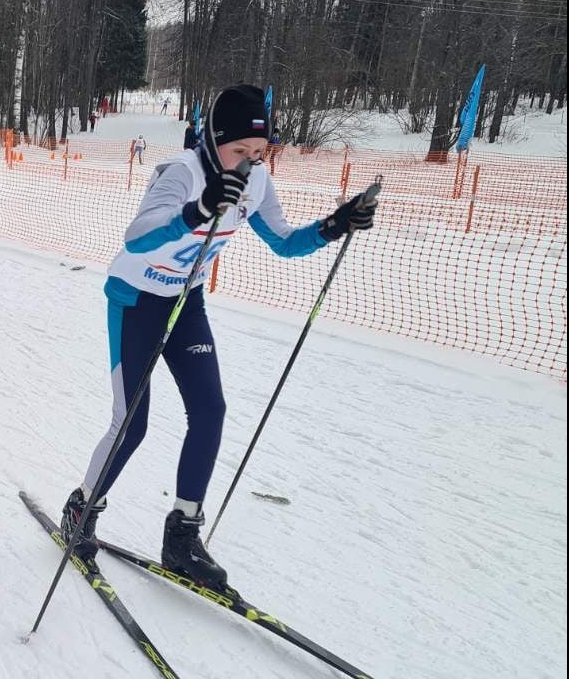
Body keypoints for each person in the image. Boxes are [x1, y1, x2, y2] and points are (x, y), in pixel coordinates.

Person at [59, 84, 378, 591]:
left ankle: (182, 534)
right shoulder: (181, 174)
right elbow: (138, 236)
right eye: (240, 152)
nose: (250, 162)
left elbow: (285, 243)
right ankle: (82, 510)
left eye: (259, 152)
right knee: (131, 424)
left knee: (210, 409)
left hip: (186, 301)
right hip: (137, 300)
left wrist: (336, 225)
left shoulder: (257, 183)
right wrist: (197, 209)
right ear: (213, 141)